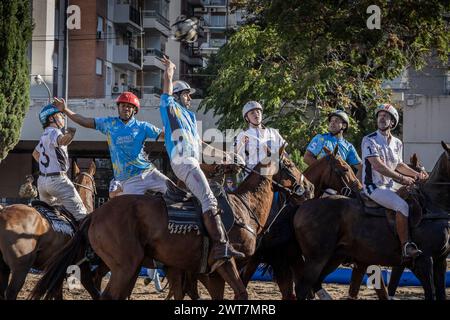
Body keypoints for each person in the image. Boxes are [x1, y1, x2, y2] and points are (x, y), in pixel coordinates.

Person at [160, 56, 245, 272]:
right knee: (208, 198)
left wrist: (228, 155)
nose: (189, 98)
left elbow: (202, 145)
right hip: (183, 162)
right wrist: (170, 71)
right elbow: (166, 92)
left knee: (208, 197)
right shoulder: (171, 108)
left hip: (192, 162)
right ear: (178, 96)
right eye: (187, 94)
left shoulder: (189, 117)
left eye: (188, 95)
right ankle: (220, 246)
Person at [52, 93, 170, 196]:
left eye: (129, 106)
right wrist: (65, 109)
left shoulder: (143, 126)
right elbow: (84, 121)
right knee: (129, 214)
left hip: (148, 173)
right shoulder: (109, 124)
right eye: (123, 106)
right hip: (128, 180)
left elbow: (165, 135)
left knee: (176, 192)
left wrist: (176, 131)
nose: (126, 109)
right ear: (118, 107)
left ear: (135, 110)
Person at [361, 103, 428, 259]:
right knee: (402, 205)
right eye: (380, 115)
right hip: (374, 187)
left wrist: (417, 176)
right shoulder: (369, 140)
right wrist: (403, 179)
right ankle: (406, 246)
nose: (382, 118)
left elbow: (399, 165)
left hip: (390, 186)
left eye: (386, 116)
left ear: (392, 122)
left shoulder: (397, 143)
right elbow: (378, 166)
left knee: (416, 197)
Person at [32, 104, 87, 221]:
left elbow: (35, 154)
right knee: (82, 216)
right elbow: (62, 141)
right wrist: (71, 134)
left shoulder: (43, 136)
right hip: (58, 181)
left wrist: (48, 166)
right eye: (60, 115)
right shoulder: (55, 132)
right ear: (51, 118)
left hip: (42, 182)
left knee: (52, 219)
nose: (63, 117)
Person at [234, 101, 287, 175]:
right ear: (247, 118)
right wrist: (240, 145)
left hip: (277, 174)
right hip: (256, 176)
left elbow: (284, 154)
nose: (256, 114)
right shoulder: (243, 135)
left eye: (258, 111)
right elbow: (233, 156)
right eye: (252, 113)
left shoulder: (273, 132)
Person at [305, 110, 362, 178]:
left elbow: (361, 168)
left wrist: (354, 185)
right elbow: (307, 157)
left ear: (344, 126)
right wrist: (325, 171)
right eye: (331, 121)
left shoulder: (349, 146)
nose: (332, 123)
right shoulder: (320, 138)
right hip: (319, 180)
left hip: (337, 183)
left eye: (336, 121)